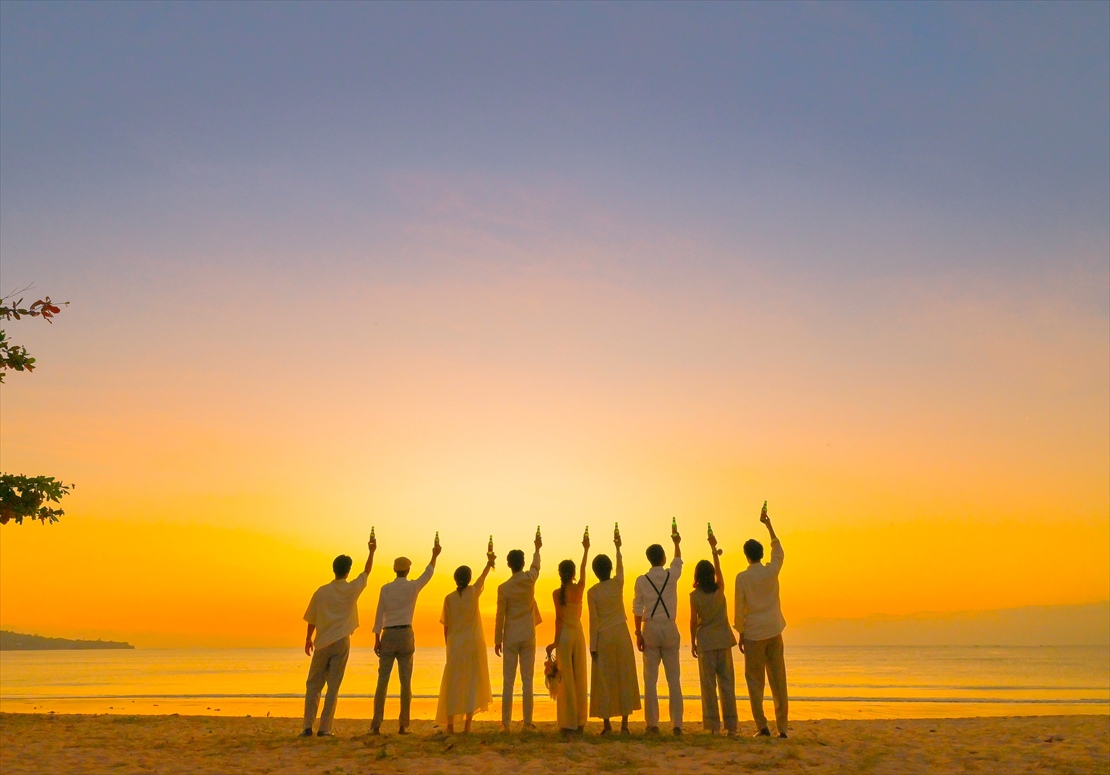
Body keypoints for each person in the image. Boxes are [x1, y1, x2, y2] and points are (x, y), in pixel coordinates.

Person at [301, 535, 376, 737]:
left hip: (323, 641)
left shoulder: (322, 591)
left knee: (314, 684)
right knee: (333, 686)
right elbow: (366, 572)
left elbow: (312, 618)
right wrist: (371, 551)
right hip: (341, 640)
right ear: (347, 571)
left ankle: (308, 726)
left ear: (334, 569)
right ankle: (325, 728)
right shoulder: (351, 589)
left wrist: (308, 639)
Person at [369, 534, 441, 735]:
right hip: (406, 633)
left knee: (382, 681)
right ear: (408, 570)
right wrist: (434, 555)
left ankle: (376, 724)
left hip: (388, 634)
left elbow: (378, 614)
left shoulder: (386, 588)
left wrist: (376, 638)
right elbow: (428, 573)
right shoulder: (412, 587)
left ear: (394, 570)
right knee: (405, 682)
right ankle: (403, 724)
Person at [734, 506, 788, 738]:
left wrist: (741, 632)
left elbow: (739, 609)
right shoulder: (770, 572)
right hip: (774, 629)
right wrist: (768, 525)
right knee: (778, 680)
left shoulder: (743, 577)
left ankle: (762, 726)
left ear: (747, 555)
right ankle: (782, 728)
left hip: (755, 633)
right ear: (759, 554)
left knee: (755, 682)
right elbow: (779, 552)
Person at [587, 527, 641, 735]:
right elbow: (621, 568)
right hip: (621, 633)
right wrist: (618, 548)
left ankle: (607, 724)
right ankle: (625, 725)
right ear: (608, 569)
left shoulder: (593, 592)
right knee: (624, 677)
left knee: (605, 679)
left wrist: (593, 645)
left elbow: (594, 620)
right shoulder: (617, 584)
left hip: (604, 636)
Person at [436, 550, 497, 733]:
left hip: (455, 644)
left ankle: (451, 726)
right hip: (472, 644)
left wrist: (448, 645)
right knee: (471, 683)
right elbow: (483, 577)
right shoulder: (473, 592)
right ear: (468, 578)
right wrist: (489, 562)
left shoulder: (449, 598)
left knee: (453, 684)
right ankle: (467, 726)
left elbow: (445, 626)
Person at [633, 527, 683, 735]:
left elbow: (637, 608)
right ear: (662, 558)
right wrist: (677, 542)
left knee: (650, 680)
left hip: (651, 627)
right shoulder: (671, 575)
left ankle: (652, 724)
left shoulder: (642, 580)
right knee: (674, 680)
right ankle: (677, 724)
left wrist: (637, 633)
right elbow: (678, 562)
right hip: (669, 626)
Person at [690, 530, 738, 736]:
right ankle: (732, 727)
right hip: (723, 641)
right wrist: (713, 549)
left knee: (708, 687)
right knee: (727, 685)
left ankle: (713, 727)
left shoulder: (694, 596)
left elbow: (693, 621)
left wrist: (692, 642)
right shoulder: (720, 590)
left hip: (706, 643)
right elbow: (719, 572)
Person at [494, 532, 543, 732]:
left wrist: (498, 639)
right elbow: (536, 566)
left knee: (508, 681)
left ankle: (506, 723)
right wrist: (537, 548)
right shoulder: (530, 579)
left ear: (508, 564)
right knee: (527, 679)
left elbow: (500, 615)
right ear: (522, 563)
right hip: (528, 634)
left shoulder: (504, 587)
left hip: (511, 636)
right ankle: (527, 721)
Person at [545, 530, 589, 736]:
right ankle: (580, 721)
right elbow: (583, 569)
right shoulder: (579, 588)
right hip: (578, 634)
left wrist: (554, 643)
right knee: (579, 677)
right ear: (572, 574)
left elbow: (558, 620)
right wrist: (586, 550)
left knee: (566, 680)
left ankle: (567, 721)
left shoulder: (556, 593)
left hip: (565, 637)